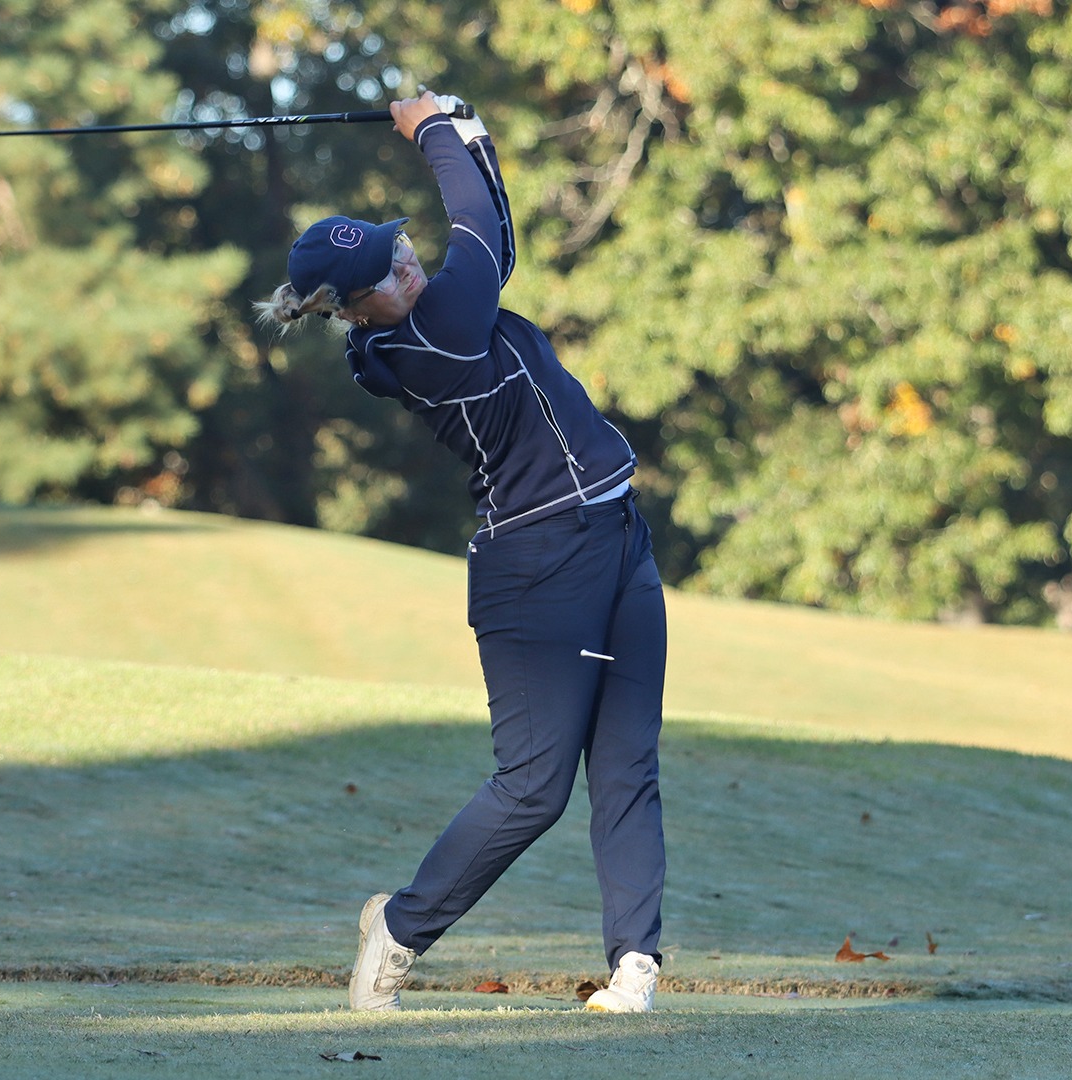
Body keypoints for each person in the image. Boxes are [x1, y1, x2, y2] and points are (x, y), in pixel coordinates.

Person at [255, 92, 668, 1014]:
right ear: (353, 308)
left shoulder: (425, 307)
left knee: (628, 762)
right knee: (533, 788)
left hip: (617, 537)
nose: (406, 258)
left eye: (395, 244)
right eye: (385, 269)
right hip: (539, 568)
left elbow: (498, 243)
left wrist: (473, 133)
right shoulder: (422, 340)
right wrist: (434, 130)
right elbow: (477, 230)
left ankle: (634, 965)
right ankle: (399, 933)